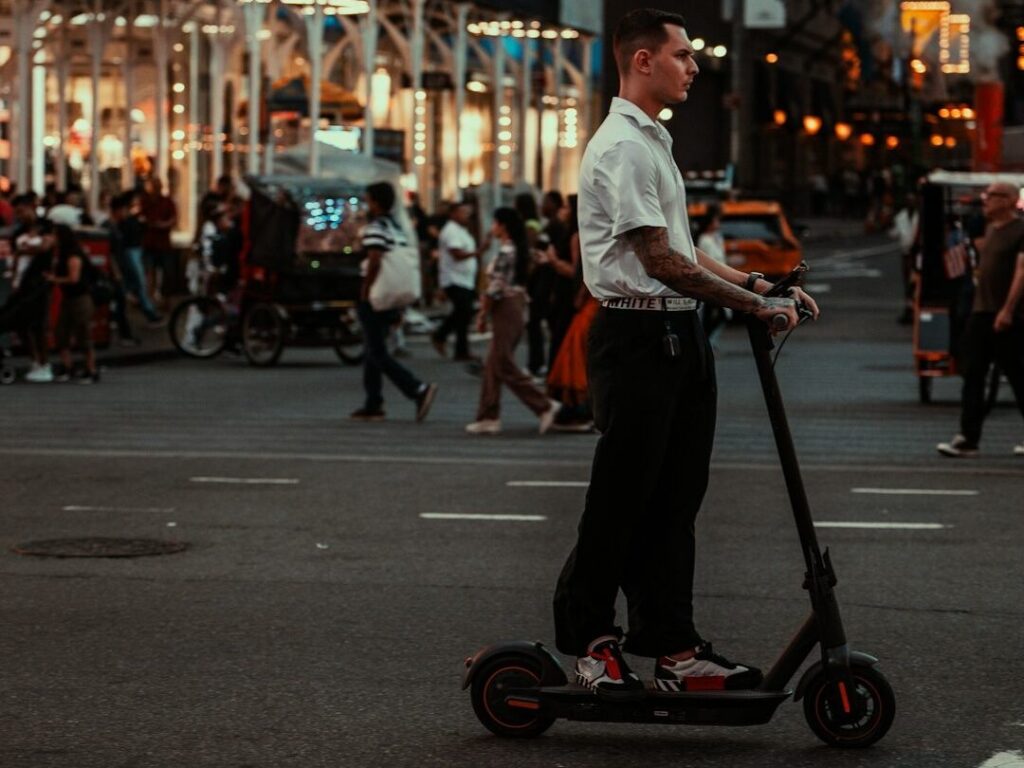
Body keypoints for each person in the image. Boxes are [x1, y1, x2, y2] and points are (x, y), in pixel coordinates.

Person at [551, 8, 817, 699]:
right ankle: (589, 641)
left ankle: (671, 648)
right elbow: (660, 261)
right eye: (681, 55)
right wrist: (758, 308)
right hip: (638, 334)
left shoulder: (653, 142)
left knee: (673, 502)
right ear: (642, 61)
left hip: (677, 337)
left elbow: (686, 251)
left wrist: (758, 283)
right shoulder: (621, 147)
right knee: (621, 499)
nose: (694, 66)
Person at [937, 181, 1024, 458]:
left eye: (993, 195)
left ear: (1010, 200)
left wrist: (1008, 310)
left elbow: (1022, 272)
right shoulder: (988, 229)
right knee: (972, 374)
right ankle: (968, 438)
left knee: (1019, 377)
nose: (985, 200)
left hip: (1008, 316)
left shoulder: (1020, 230)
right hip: (980, 311)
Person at [465, 207, 559, 435]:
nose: (492, 227)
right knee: (493, 363)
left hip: (505, 306)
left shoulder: (507, 251)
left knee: (503, 362)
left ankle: (543, 405)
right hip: (517, 304)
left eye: (494, 223)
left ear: (502, 225)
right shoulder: (522, 250)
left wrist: (481, 315)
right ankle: (488, 414)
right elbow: (543, 259)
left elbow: (495, 288)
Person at [350, 182, 438, 423]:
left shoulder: (376, 227)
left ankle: (417, 389)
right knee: (372, 348)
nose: (366, 205)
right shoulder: (398, 227)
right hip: (392, 295)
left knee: (377, 351)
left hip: (377, 295)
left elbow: (375, 258)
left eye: (368, 200)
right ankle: (373, 402)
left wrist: (366, 290)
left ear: (376, 203)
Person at [431, 202, 486, 361]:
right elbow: (456, 253)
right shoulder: (451, 231)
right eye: (463, 212)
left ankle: (456, 345)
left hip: (464, 279)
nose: (466, 216)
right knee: (463, 310)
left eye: (468, 213)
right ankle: (443, 336)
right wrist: (478, 252)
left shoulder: (462, 231)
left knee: (464, 312)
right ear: (453, 213)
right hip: (454, 278)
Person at [9, 194, 55, 382]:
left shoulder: (46, 225)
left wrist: (24, 249)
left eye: (21, 211)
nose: (19, 216)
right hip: (23, 281)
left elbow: (46, 247)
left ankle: (44, 362)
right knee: (20, 323)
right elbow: (16, 257)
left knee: (38, 323)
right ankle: (35, 359)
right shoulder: (18, 231)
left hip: (39, 281)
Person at [46, 225, 99, 383]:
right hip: (69, 299)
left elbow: (74, 278)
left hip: (80, 298)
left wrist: (54, 279)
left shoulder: (73, 255)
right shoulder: (62, 254)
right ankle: (67, 366)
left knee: (83, 335)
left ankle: (91, 369)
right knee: (61, 332)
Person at [140, 177, 178, 304]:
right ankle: (150, 299)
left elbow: (173, 219)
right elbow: (140, 217)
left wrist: (163, 225)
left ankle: (165, 299)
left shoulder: (167, 202)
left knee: (168, 273)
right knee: (150, 273)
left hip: (163, 243)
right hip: (150, 242)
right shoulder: (145, 201)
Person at [697, 205, 730, 348]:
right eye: (716, 220)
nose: (718, 224)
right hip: (711, 281)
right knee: (714, 314)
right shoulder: (704, 239)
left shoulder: (717, 238)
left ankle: (708, 341)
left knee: (719, 314)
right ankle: (707, 341)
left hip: (722, 278)